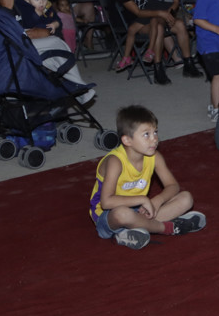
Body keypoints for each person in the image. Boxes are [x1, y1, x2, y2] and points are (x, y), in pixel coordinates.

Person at [88, 105, 206, 250]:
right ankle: (166, 228)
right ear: (127, 140)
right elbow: (106, 202)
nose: (154, 139)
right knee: (123, 213)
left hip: (139, 211)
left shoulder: (154, 157)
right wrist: (142, 199)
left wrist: (157, 200)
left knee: (186, 198)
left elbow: (173, 186)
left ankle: (131, 232)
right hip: (108, 216)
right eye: (146, 134)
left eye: (155, 132)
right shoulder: (115, 161)